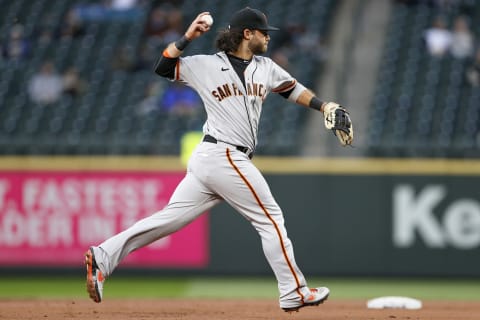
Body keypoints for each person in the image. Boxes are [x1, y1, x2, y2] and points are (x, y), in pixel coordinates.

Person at [85, 7, 350, 312]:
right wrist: (187, 36)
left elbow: (292, 89)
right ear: (246, 34)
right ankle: (293, 291)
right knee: (270, 218)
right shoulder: (206, 65)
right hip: (222, 153)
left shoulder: (266, 67)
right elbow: (163, 67)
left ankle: (102, 256)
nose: (267, 37)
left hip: (216, 159)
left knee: (168, 220)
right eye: (263, 32)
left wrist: (324, 105)